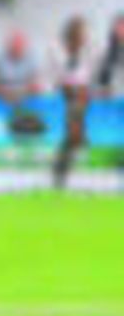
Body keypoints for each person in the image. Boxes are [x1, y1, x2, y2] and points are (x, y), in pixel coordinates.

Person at [50, 15, 93, 190]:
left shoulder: (86, 52)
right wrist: (75, 90)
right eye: (83, 33)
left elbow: (87, 76)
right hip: (67, 96)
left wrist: (84, 90)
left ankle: (60, 170)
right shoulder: (58, 51)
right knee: (73, 128)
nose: (86, 36)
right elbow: (60, 79)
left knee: (74, 132)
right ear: (74, 34)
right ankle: (60, 170)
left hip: (81, 97)